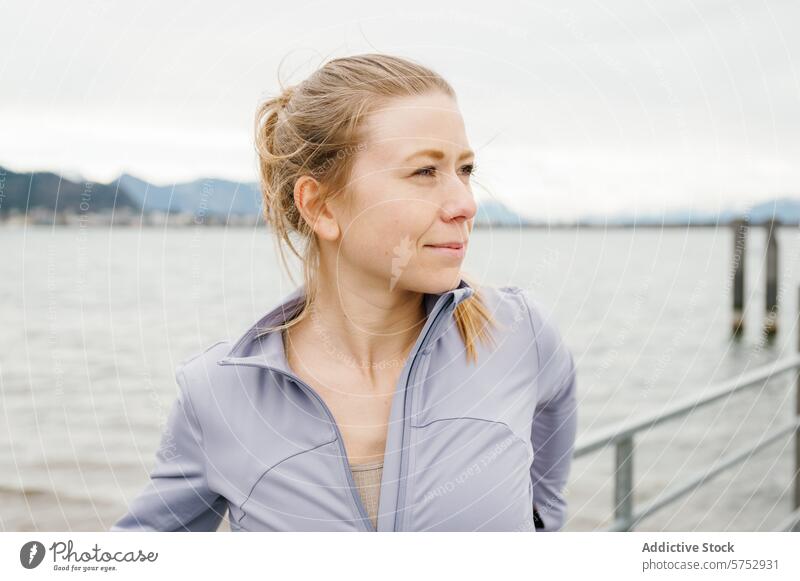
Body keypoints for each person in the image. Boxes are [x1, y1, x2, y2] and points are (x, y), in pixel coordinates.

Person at [110, 53, 577, 532]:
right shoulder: (220, 394)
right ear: (321, 206)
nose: (465, 203)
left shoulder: (520, 334)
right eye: (424, 172)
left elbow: (549, 466)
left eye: (465, 169)